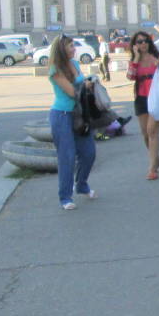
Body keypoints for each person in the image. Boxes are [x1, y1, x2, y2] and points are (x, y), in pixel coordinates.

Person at [48, 34, 96, 209]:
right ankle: (65, 197)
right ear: (61, 49)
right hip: (61, 115)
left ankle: (81, 185)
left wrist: (88, 83)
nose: (74, 49)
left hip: (80, 114)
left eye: (73, 46)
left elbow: (81, 85)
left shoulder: (75, 64)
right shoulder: (55, 69)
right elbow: (71, 92)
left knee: (89, 152)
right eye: (70, 46)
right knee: (67, 156)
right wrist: (86, 85)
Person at [127, 32, 159, 180]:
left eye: (145, 41)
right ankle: (156, 159)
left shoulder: (157, 57)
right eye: (139, 42)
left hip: (157, 97)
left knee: (152, 131)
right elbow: (130, 76)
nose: (143, 44)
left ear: (149, 42)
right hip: (141, 97)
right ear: (135, 45)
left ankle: (152, 168)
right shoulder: (134, 60)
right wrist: (136, 59)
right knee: (145, 133)